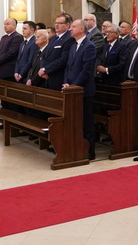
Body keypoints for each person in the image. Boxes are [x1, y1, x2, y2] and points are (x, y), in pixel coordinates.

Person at [63, 19, 98, 160]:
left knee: (86, 121)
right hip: (72, 90)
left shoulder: (89, 46)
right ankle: (77, 146)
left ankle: (90, 150)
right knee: (76, 120)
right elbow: (68, 67)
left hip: (84, 91)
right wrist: (66, 82)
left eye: (73, 27)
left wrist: (74, 86)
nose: (70, 29)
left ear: (82, 29)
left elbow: (86, 70)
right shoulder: (73, 46)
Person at [38, 14, 76, 90]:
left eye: (60, 23)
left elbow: (63, 59)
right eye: (55, 23)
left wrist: (46, 69)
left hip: (58, 77)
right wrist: (42, 68)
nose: (57, 25)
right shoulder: (53, 38)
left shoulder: (69, 39)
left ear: (67, 25)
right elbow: (44, 55)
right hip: (48, 76)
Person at [0, 18, 23, 110]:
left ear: (14, 26)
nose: (5, 26)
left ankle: (12, 120)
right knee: (3, 97)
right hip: (2, 71)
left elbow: (12, 52)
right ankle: (4, 120)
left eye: (7, 24)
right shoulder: (4, 37)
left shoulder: (17, 37)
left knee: (11, 97)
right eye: (4, 24)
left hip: (10, 71)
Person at [14, 20, 38, 84]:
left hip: (26, 75)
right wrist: (16, 72)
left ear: (32, 30)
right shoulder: (23, 43)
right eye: (22, 28)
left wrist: (21, 74)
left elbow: (30, 61)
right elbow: (18, 59)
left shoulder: (34, 42)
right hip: (19, 75)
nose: (22, 30)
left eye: (25, 29)